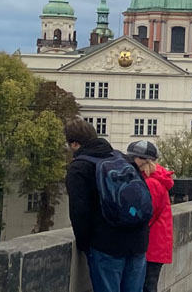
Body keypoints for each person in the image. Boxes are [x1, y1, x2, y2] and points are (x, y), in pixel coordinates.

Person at [64, 118, 150, 292]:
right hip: (138, 241)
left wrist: (85, 245)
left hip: (106, 245)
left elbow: (79, 212)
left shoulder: (79, 168)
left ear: (74, 144)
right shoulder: (124, 159)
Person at [126, 140, 175, 292]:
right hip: (156, 244)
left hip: (152, 244)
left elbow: (147, 214)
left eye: (131, 158)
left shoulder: (152, 183)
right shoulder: (155, 179)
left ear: (141, 160)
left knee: (147, 286)